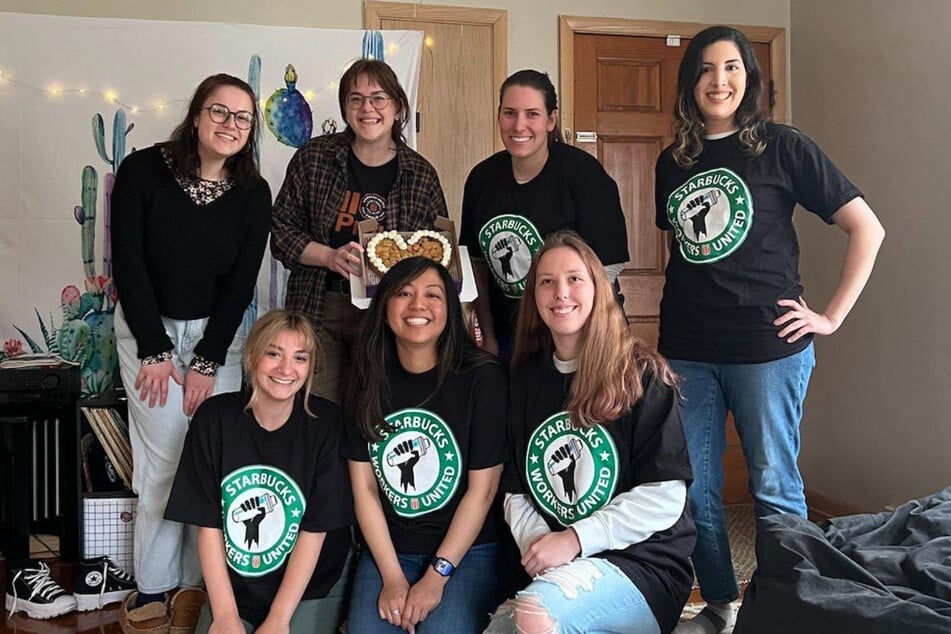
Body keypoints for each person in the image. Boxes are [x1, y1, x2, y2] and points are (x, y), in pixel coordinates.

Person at [654, 27, 885, 634]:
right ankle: (723, 605)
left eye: (732, 67)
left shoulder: (784, 148)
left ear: (750, 79)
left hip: (767, 349)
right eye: (705, 69)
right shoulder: (672, 161)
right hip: (687, 352)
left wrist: (829, 315)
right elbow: (688, 251)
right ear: (690, 84)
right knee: (692, 492)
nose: (718, 80)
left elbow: (868, 228)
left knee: (774, 490)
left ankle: (791, 614)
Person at [111, 73, 271, 632]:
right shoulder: (142, 171)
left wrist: (206, 360)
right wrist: (155, 350)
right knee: (162, 464)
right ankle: (152, 590)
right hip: (147, 330)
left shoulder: (254, 192)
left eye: (242, 118)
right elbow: (127, 263)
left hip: (216, 340)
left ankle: (196, 590)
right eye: (220, 113)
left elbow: (240, 285)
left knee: (209, 461)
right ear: (197, 115)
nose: (231, 125)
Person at [486, 231, 696, 634]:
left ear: (599, 289)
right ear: (534, 296)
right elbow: (514, 490)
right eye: (546, 281)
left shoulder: (642, 374)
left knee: (534, 615)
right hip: (553, 564)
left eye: (574, 279)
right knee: (501, 629)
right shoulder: (524, 379)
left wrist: (576, 540)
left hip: (641, 564)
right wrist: (543, 548)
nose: (560, 292)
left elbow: (666, 497)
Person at [341, 257, 509, 633]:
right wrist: (391, 576)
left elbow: (482, 493)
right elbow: (365, 489)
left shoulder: (483, 378)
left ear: (450, 310)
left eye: (433, 295)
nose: (418, 304)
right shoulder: (366, 378)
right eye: (404, 293)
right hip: (390, 550)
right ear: (384, 308)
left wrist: (437, 576)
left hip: (469, 550)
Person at [165, 310, 353, 634]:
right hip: (237, 587)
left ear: (309, 368)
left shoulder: (328, 424)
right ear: (252, 356)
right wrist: (224, 615)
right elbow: (208, 525)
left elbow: (315, 531)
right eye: (274, 353)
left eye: (300, 358)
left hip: (311, 585)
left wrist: (279, 619)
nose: (286, 369)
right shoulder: (215, 419)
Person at [271, 59, 449, 402]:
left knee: (376, 406)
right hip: (319, 306)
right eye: (356, 99)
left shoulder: (420, 173)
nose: (367, 108)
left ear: (397, 106)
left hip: (387, 314)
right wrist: (327, 256)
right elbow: (280, 229)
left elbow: (436, 252)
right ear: (345, 108)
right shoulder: (315, 158)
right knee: (315, 408)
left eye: (378, 98)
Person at [460, 69, 629, 361]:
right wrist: (487, 336)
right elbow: (477, 268)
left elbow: (607, 271)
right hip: (508, 341)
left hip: (581, 339)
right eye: (510, 113)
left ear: (551, 120)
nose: (519, 125)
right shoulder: (482, 179)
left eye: (532, 114)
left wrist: (578, 345)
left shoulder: (583, 175)